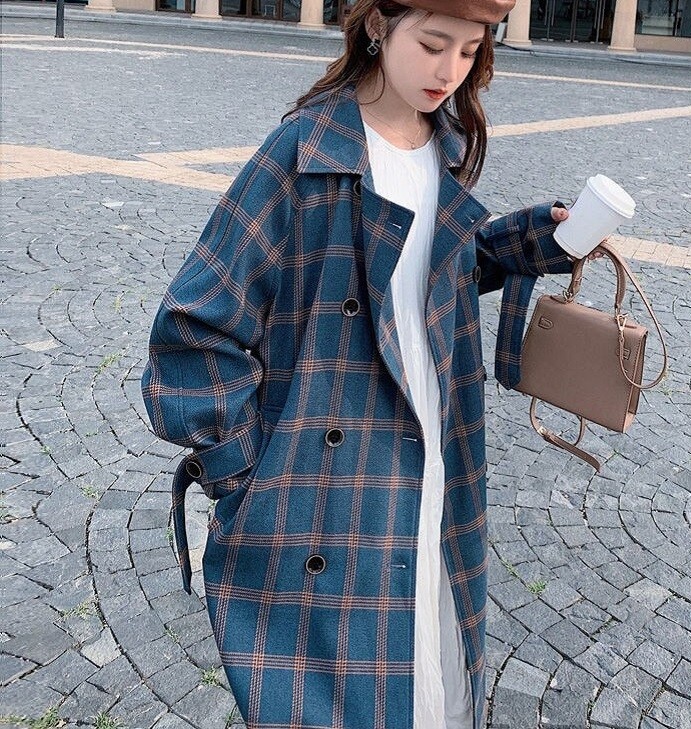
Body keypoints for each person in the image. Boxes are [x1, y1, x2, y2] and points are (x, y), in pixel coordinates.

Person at [141, 1, 583, 726]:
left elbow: (432, 269)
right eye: (433, 43)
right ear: (378, 24)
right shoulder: (303, 152)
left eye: (470, 50)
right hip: (330, 472)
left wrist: (537, 240)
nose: (450, 71)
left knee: (427, 652)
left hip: (433, 442)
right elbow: (196, 324)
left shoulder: (442, 145)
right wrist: (244, 473)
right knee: (344, 687)